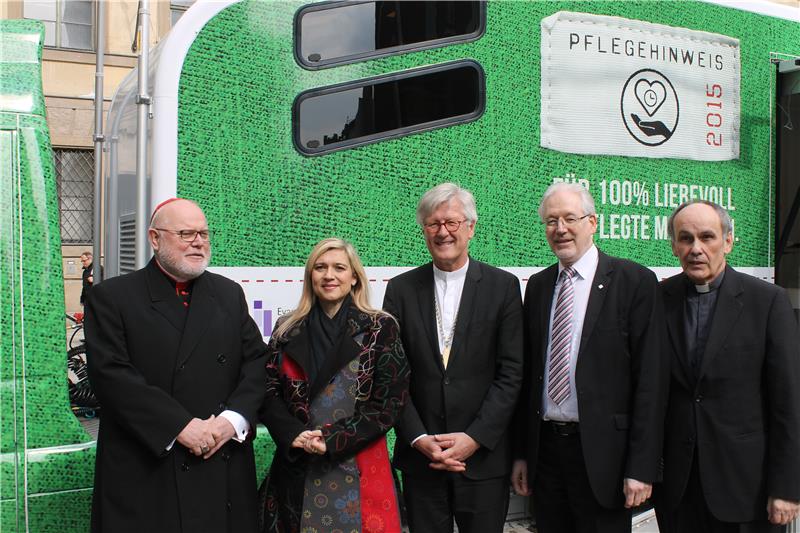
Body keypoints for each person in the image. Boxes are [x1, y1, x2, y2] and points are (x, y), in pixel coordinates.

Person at [85, 198, 268, 533]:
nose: (198, 241)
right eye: (186, 233)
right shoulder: (112, 297)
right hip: (150, 471)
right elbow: (111, 376)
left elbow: (258, 363)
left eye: (203, 233)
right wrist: (180, 426)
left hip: (220, 460)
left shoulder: (228, 294)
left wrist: (232, 420)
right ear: (155, 239)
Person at [511, 182, 668, 533]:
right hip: (548, 455)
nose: (560, 229)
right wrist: (522, 452)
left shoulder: (634, 281)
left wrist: (641, 467)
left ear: (593, 222)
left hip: (606, 460)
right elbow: (529, 376)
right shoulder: (537, 286)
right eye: (551, 221)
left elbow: (651, 382)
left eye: (570, 218)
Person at [383, 183, 523, 533]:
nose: (442, 232)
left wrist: (473, 439)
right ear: (424, 230)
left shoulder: (502, 287)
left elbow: (511, 373)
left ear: (471, 227)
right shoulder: (400, 290)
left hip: (482, 461)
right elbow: (392, 375)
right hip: (422, 460)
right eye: (433, 224)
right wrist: (418, 438)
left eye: (452, 223)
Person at [655, 200, 800, 533]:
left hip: (746, 490)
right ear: (674, 246)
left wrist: (787, 488)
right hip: (679, 490)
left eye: (707, 237)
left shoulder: (767, 302)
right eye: (686, 238)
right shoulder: (658, 299)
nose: (696, 249)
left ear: (728, 241)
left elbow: (787, 405)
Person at [259, 237, 410, 533]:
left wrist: (332, 438)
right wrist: (294, 434)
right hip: (297, 465)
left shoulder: (381, 328)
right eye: (320, 267)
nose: (329, 275)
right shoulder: (286, 329)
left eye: (339, 268)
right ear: (310, 276)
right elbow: (267, 390)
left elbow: (390, 402)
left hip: (361, 464)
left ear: (354, 277)